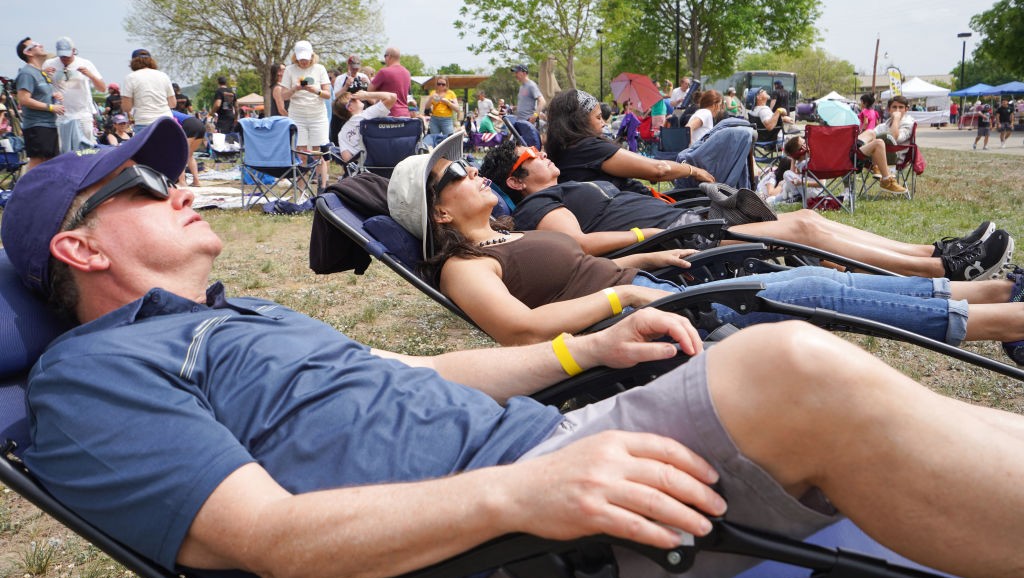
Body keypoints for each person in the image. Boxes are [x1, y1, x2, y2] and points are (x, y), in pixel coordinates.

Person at [8, 120, 1024, 578]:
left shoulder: (245, 317)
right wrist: (516, 499)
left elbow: (419, 374)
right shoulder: (91, 376)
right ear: (80, 246)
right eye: (142, 185)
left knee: (789, 347)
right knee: (786, 362)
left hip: (557, 446)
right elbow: (265, 539)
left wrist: (593, 345)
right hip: (518, 532)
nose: (177, 183)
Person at [392, 132, 1022, 361]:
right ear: (440, 209)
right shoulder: (461, 267)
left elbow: (577, 266)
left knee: (832, 287)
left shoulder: (505, 235)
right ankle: (1007, 317)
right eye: (456, 174)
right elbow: (524, 332)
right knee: (823, 291)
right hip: (652, 316)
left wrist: (639, 259)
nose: (472, 171)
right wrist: (626, 291)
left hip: (658, 289)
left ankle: (995, 294)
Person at [479, 140, 1014, 281]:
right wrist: (648, 229)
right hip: (681, 240)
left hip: (688, 220)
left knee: (814, 224)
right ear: (517, 180)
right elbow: (574, 247)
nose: (546, 156)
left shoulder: (572, 182)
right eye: (534, 157)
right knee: (804, 224)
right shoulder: (543, 205)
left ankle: (935, 252)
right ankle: (944, 267)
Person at [544, 89, 714, 198]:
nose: (603, 123)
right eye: (598, 118)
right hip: (648, 217)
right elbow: (659, 170)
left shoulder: (564, 149)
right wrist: (694, 170)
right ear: (578, 121)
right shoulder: (588, 148)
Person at [281, 40, 331, 191]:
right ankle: (301, 189)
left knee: (318, 153)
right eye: (301, 59)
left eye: (306, 58)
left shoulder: (320, 69)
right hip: (298, 115)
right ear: (296, 57)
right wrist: (295, 88)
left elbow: (327, 94)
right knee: (301, 153)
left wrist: (314, 90)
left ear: (312, 56)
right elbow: (283, 96)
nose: (304, 62)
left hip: (317, 115)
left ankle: (322, 188)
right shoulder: (289, 70)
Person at [44, 37, 105, 154]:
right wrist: (44, 74)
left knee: (87, 150)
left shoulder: (85, 63)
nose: (64, 59)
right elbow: (41, 87)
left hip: (82, 113)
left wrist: (90, 75)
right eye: (62, 56)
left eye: (67, 55)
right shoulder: (49, 64)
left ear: (73, 51)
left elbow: (102, 88)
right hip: (61, 115)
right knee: (63, 150)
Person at [14, 37, 63, 171]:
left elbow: (39, 95)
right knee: (38, 162)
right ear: (28, 53)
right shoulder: (27, 73)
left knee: (50, 162)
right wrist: (51, 107)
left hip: (49, 125)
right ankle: (24, 191)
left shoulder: (40, 73)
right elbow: (24, 99)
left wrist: (53, 97)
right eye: (35, 45)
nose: (40, 45)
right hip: (37, 125)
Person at [856, 95, 912, 193]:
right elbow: (870, 135)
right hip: (877, 155)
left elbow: (893, 138)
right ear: (889, 109)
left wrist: (896, 119)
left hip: (895, 157)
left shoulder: (908, 123)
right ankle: (854, 152)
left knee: (884, 138)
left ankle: (879, 171)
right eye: (894, 107)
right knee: (870, 133)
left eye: (901, 107)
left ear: (906, 109)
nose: (897, 110)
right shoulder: (885, 125)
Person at [331, 89, 398, 164]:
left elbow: (347, 158)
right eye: (353, 98)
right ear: (350, 108)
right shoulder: (368, 114)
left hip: (365, 168)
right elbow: (392, 97)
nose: (358, 98)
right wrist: (366, 95)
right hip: (388, 161)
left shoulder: (342, 134)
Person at [121, 48, 175, 134]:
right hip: (166, 121)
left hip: (144, 122)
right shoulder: (163, 75)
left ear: (133, 62)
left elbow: (126, 107)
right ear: (151, 61)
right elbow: (172, 104)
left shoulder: (131, 77)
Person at [369, 46, 412, 117]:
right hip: (405, 114)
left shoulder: (384, 72)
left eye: (385, 56)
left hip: (388, 114)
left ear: (389, 56)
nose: (385, 59)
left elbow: (369, 90)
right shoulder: (407, 73)